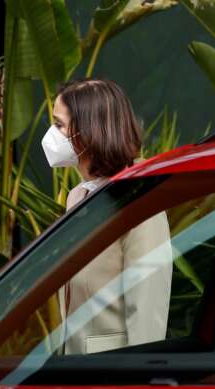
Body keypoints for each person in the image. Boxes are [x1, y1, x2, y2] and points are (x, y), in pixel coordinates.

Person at [42, 78, 173, 354]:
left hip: (112, 373)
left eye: (59, 125)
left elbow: (147, 311)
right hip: (75, 372)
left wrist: (136, 384)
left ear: (89, 131)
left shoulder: (139, 199)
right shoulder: (78, 196)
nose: (51, 135)